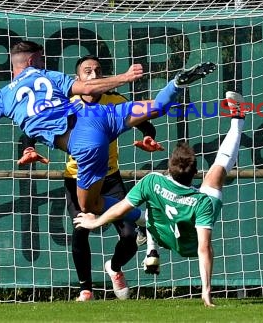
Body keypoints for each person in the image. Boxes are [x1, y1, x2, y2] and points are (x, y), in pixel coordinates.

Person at [0, 40, 216, 299]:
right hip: (100, 118)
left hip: (85, 144)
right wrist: (122, 78)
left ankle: (146, 219)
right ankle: (176, 84)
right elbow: (87, 89)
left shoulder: (3, 96)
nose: (42, 62)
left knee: (91, 208)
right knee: (156, 107)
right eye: (39, 59)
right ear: (28, 61)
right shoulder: (49, 76)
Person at [74, 91, 246, 307]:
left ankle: (150, 243)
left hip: (162, 231)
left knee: (128, 208)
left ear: (168, 168)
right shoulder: (202, 202)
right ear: (194, 174)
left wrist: (95, 221)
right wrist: (206, 292)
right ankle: (238, 121)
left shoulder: (153, 181)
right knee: (218, 172)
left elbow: (120, 208)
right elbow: (204, 248)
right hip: (188, 246)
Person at [19, 54, 164, 302]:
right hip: (77, 178)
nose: (94, 74)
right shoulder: (64, 101)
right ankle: (86, 288)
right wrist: (28, 147)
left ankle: (115, 268)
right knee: (80, 230)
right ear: (78, 78)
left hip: (110, 177)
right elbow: (33, 125)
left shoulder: (115, 99)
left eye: (98, 70)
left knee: (129, 236)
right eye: (88, 71)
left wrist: (149, 135)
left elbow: (144, 121)